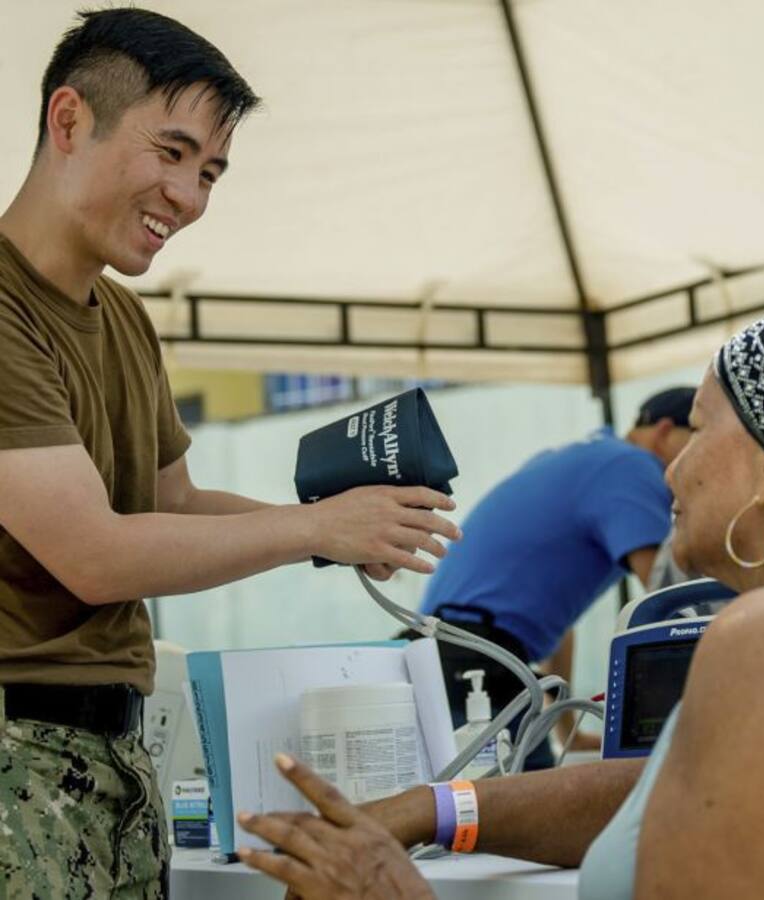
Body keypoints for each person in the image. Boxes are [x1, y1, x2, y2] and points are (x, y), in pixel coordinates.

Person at [237, 305, 764, 900]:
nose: (672, 471)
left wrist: (391, 889)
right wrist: (433, 809)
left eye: (701, 430)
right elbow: (668, 790)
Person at [0, 10, 459, 897]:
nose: (191, 198)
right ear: (68, 121)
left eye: (210, 172)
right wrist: (313, 526)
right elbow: (95, 555)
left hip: (115, 757)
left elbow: (173, 506)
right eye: (170, 154)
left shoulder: (124, 319)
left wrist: (342, 531)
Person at [407, 386, 694, 765]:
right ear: (664, 430)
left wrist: (566, 728)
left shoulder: (583, 458)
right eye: (699, 438)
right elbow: (671, 602)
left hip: (439, 646)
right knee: (529, 808)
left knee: (488, 798)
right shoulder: (633, 466)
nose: (701, 461)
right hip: (474, 657)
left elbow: (557, 619)